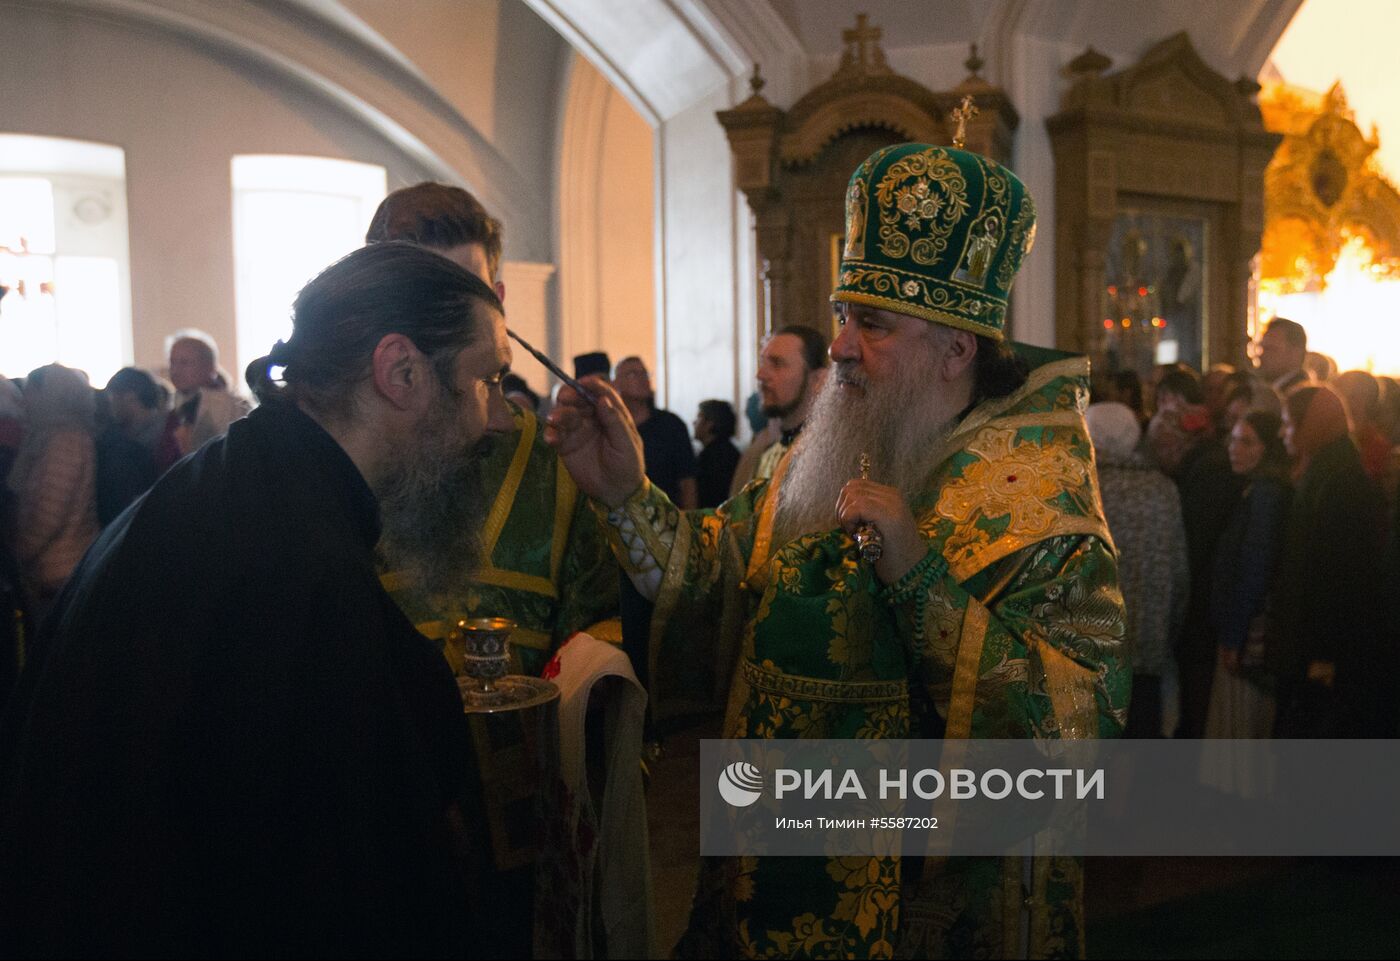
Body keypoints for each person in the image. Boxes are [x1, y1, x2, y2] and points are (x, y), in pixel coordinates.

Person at [547, 142, 1127, 958]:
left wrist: (920, 579)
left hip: (924, 909)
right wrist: (623, 494)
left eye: (874, 323)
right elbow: (713, 570)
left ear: (956, 349)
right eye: (844, 314)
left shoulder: (1040, 508)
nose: (842, 346)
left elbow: (1078, 724)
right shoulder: (814, 457)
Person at [0, 243, 514, 957]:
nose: (501, 420)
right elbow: (334, 891)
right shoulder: (296, 557)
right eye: (488, 380)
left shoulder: (243, 482)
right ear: (401, 371)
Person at [365, 183, 620, 674]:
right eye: (419, 295)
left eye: (463, 293)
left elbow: (601, 624)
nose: (443, 323)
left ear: (498, 302)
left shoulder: (557, 461)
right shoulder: (336, 461)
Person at [1271, 386, 1390, 738]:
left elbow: (1342, 575)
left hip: (1325, 649)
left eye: (1290, 424)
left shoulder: (1341, 483)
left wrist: (1325, 653)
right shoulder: (1324, 470)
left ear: (1315, 425)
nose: (1283, 433)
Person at [1086, 401, 1188, 738]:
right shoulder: (1162, 489)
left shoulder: (1084, 489)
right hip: (1147, 646)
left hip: (1090, 649)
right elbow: (1177, 572)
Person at [1205, 412, 1290, 739]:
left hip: (1246, 636)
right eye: (1233, 439)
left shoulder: (1266, 494)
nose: (1233, 448)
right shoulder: (1256, 489)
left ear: (1267, 448)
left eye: (1246, 441)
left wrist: (1233, 636)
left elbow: (1255, 566)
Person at [8, 364, 100, 625]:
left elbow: (50, 513)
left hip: (59, 571)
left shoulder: (65, 441)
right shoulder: (46, 436)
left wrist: (21, 552)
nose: (24, 399)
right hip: (51, 569)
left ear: (50, 394)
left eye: (31, 391)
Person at [730, 325, 829, 495]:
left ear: (817, 379)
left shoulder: (827, 455)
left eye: (777, 364)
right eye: (763, 363)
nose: (761, 375)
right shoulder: (763, 452)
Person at [154, 329, 250, 471]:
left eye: (185, 363)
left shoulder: (233, 407)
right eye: (172, 362)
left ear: (210, 367)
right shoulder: (170, 405)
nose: (175, 370)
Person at [614, 355, 697, 510]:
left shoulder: (671, 425)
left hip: (666, 517)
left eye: (645, 373)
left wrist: (688, 523)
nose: (642, 379)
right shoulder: (612, 426)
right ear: (615, 384)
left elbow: (687, 481)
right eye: (632, 374)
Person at [693, 399, 740, 509]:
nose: (694, 422)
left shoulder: (709, 458)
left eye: (698, 417)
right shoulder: (731, 451)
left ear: (710, 423)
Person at [1255, 317, 1312, 399]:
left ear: (1295, 353)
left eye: (1271, 349)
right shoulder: (1262, 388)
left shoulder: (1303, 399)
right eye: (1262, 348)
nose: (1261, 356)